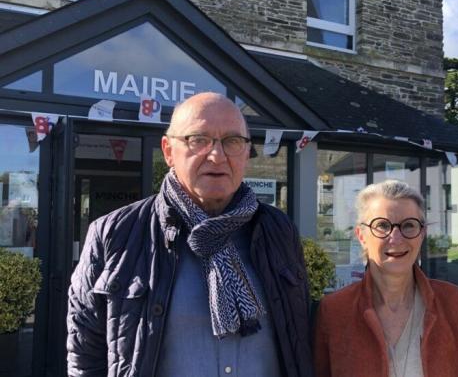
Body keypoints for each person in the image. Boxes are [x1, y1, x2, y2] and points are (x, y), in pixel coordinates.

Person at [67, 92, 313, 377]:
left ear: (246, 153)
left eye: (232, 141)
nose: (217, 155)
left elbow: (298, 338)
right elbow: (85, 355)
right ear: (169, 151)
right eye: (198, 139)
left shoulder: (277, 230)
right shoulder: (114, 234)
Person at [314, 180, 458, 377]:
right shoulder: (335, 311)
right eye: (382, 225)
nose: (396, 238)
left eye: (408, 225)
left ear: (422, 234)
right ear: (361, 236)